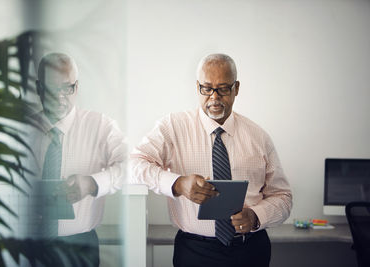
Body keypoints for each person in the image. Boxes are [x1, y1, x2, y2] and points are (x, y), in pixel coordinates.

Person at [130, 53, 292, 267]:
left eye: (223, 88)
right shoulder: (172, 127)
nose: (214, 97)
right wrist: (178, 184)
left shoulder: (258, 137)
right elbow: (134, 164)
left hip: (250, 250)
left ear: (237, 88)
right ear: (198, 87)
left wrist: (255, 216)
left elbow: (283, 197)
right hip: (195, 252)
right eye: (207, 88)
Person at [30, 52, 126, 266]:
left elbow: (129, 166)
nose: (61, 97)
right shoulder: (20, 130)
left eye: (68, 88)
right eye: (52, 89)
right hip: (27, 244)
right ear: (39, 88)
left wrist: (92, 183)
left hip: (81, 247)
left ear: (77, 87)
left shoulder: (101, 126)